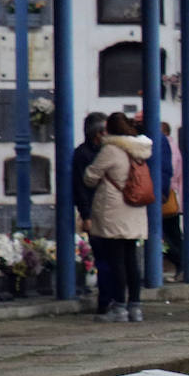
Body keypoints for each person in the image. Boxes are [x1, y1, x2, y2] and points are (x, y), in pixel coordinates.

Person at [83, 113, 152, 323]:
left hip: (114, 210)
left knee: (116, 261)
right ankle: (135, 307)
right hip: (135, 210)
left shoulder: (111, 149)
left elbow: (90, 176)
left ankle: (119, 307)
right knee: (132, 260)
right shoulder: (140, 150)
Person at [72, 112, 113, 313]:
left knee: (112, 259)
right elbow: (81, 188)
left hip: (110, 211)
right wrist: (86, 215)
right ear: (97, 133)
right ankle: (106, 300)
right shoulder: (83, 155)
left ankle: (112, 298)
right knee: (104, 258)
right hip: (96, 212)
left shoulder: (107, 152)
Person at [160, 121, 184, 281]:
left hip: (166, 196)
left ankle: (181, 263)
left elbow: (169, 173)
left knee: (167, 236)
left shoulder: (167, 147)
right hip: (172, 196)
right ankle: (182, 264)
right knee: (173, 234)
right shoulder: (174, 147)